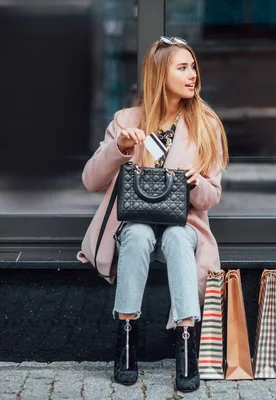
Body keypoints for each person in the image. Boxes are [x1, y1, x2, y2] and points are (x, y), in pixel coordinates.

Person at [76, 36, 228, 392]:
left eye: (193, 67)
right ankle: (126, 336)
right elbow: (91, 180)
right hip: (136, 221)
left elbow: (211, 197)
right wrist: (120, 148)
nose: (193, 75)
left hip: (184, 222)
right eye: (182, 67)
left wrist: (195, 184)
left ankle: (186, 340)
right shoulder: (127, 120)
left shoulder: (207, 124)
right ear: (160, 74)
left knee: (175, 237)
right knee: (139, 233)